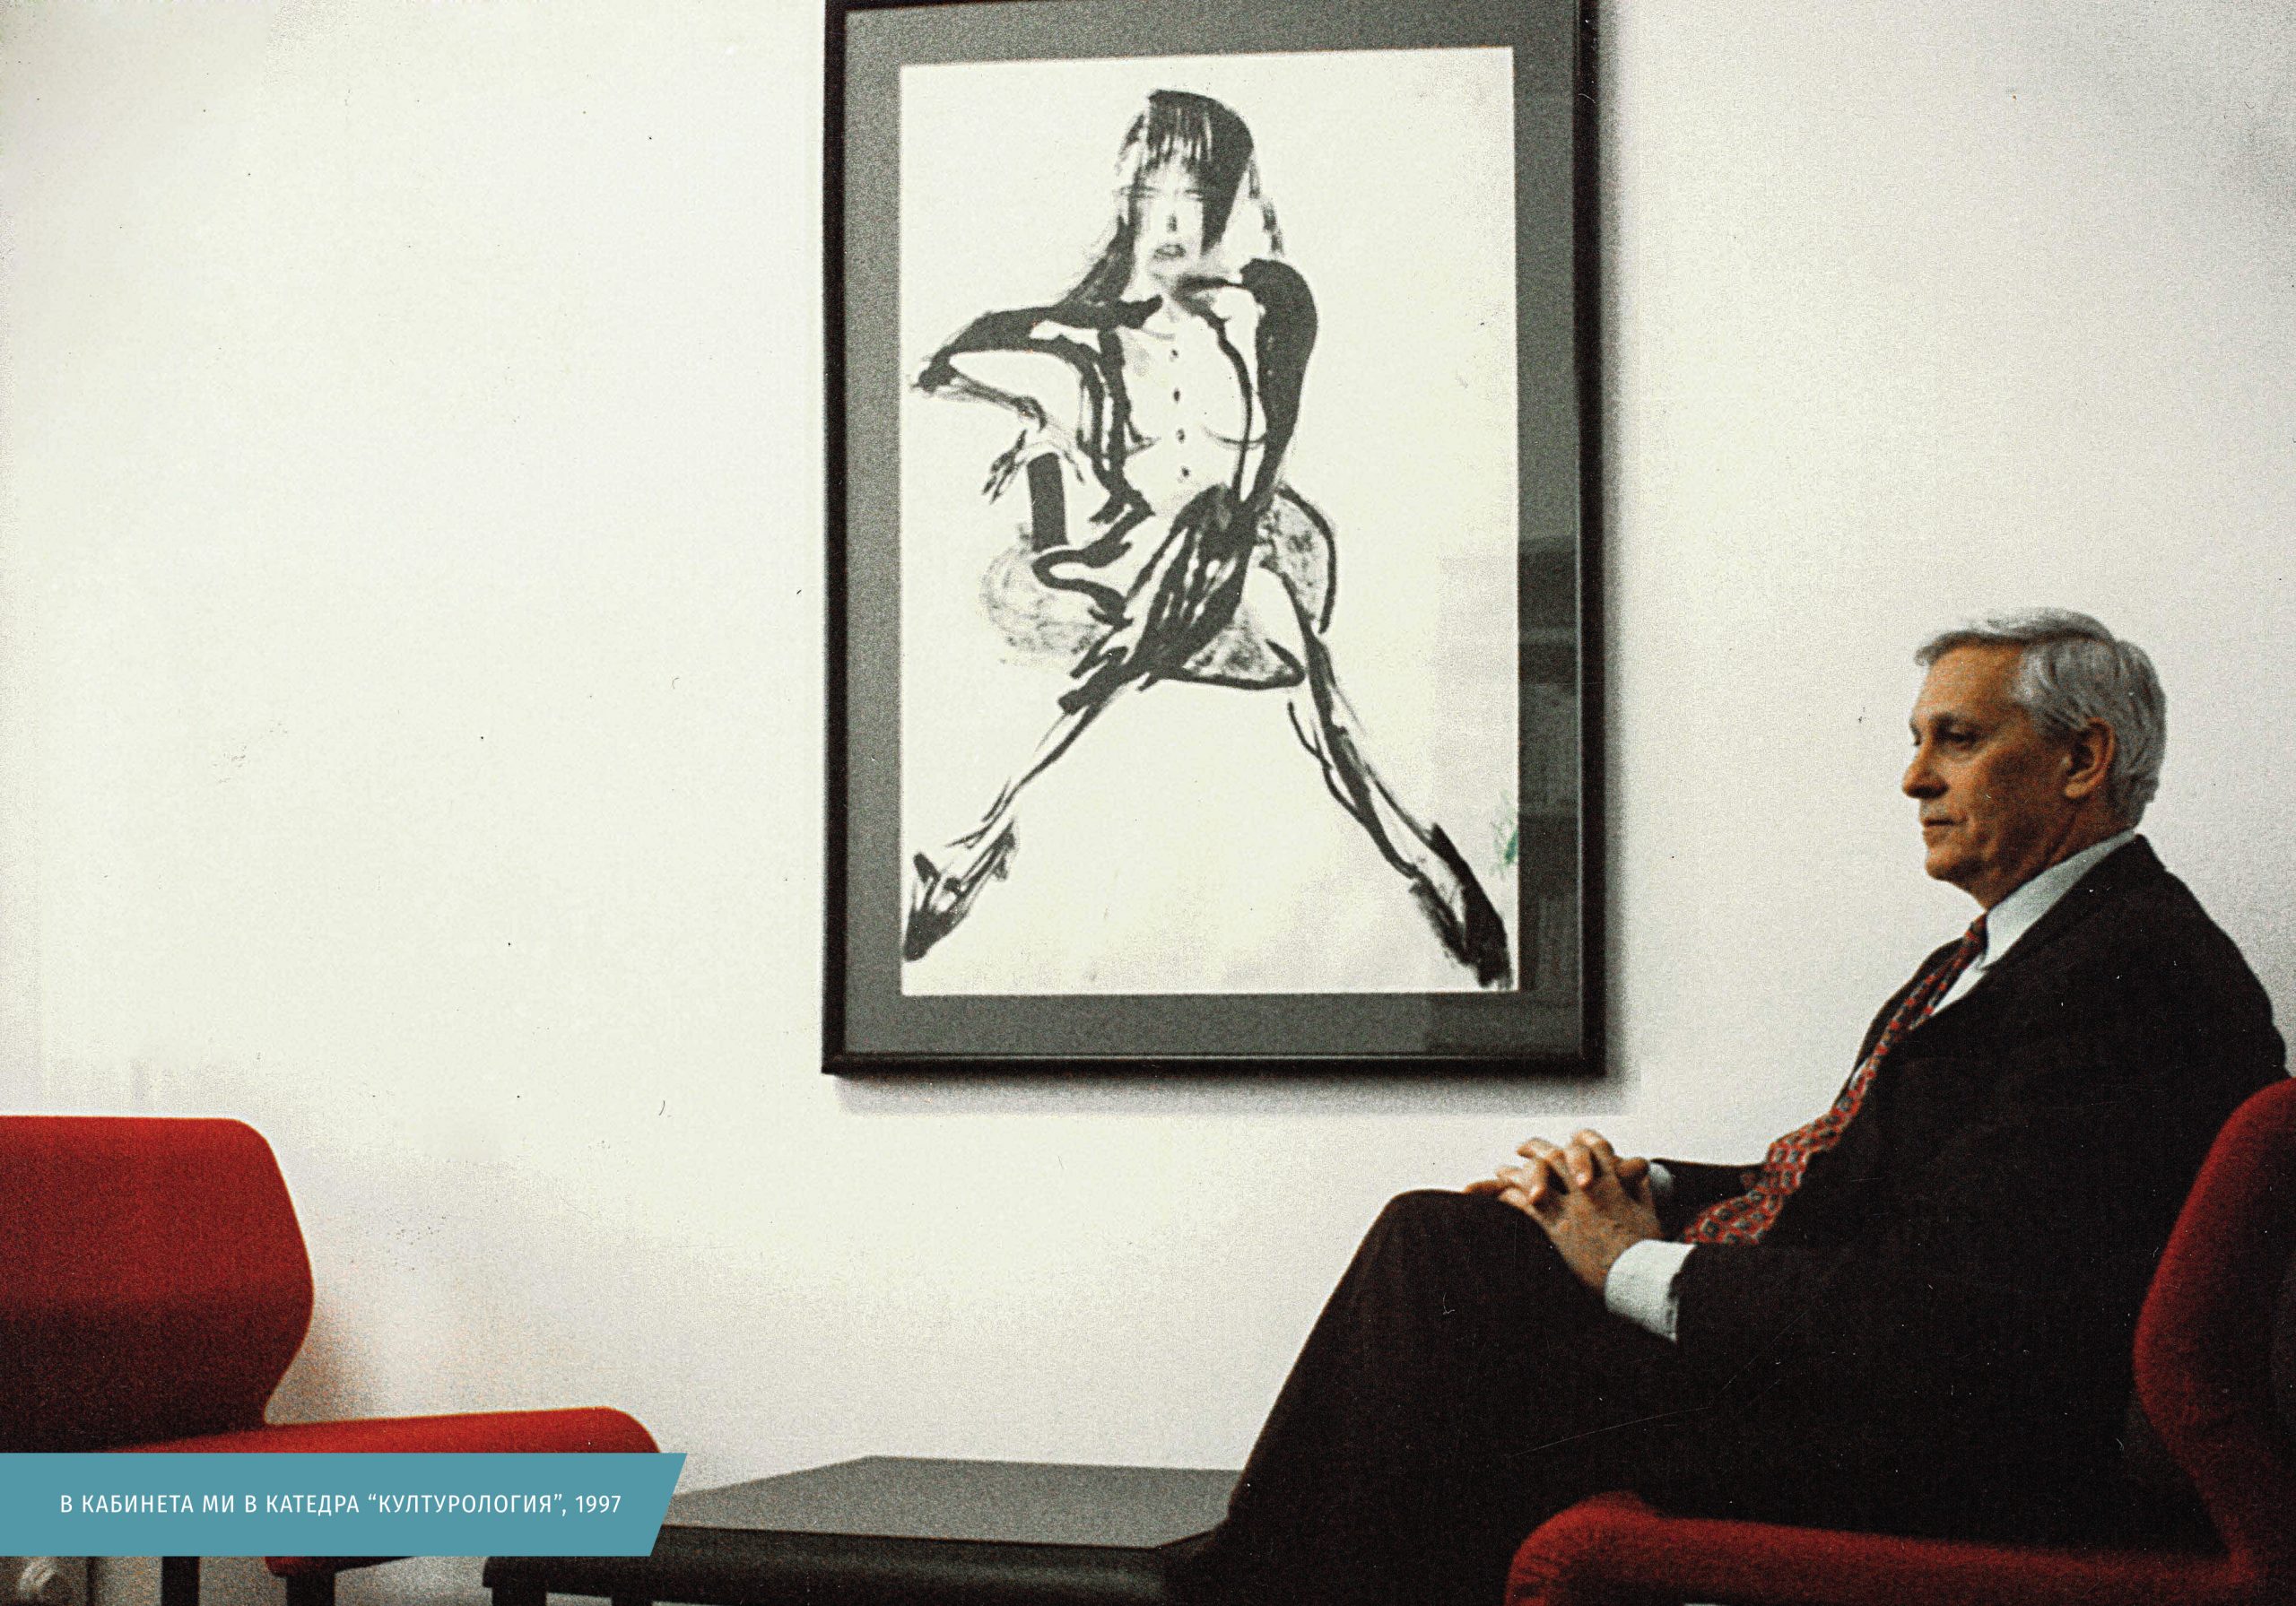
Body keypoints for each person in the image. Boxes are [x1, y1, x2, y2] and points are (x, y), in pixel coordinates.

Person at [1178, 609, 2284, 1606]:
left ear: (2082, 758)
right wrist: (1625, 1193)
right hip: (1887, 1399)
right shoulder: (2024, 951)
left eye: (1955, 740)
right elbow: (1852, 1187)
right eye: (1916, 740)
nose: (1913, 779)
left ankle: (1242, 1583)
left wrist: (1628, 1264)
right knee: (1461, 1240)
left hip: (1960, 1448)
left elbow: (1955, 1317)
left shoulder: (2136, 974)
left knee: (1444, 1306)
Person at [905, 90, 1510, 988]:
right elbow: (939, 366)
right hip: (1140, 563)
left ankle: (974, 850)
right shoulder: (1097, 337)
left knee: (1314, 708)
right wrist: (1043, 424)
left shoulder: (1270, 307)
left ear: (1225, 201)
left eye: (1190, 196)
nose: (1166, 221)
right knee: (1243, 684)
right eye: (1146, 195)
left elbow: (1260, 435)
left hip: (1237, 556)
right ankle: (1436, 875)